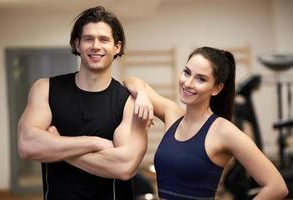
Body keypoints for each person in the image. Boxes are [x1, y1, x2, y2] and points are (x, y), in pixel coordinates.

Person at [17, 6, 149, 200]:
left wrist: (56, 144)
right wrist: (95, 142)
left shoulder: (127, 101)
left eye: (104, 39)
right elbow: (27, 145)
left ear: (117, 47)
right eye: (88, 39)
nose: (96, 45)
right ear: (77, 45)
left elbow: (123, 167)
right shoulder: (45, 89)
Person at [123, 46, 289, 200]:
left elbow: (277, 186)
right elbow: (131, 81)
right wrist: (142, 96)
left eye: (200, 79)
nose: (188, 83)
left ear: (216, 88)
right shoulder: (172, 115)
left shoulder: (223, 131)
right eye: (187, 72)